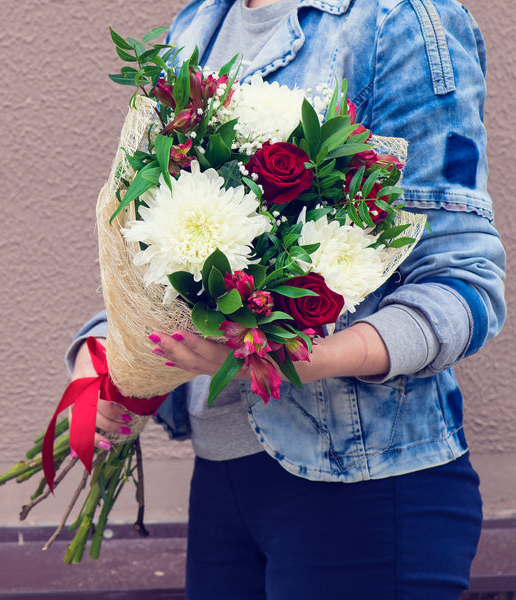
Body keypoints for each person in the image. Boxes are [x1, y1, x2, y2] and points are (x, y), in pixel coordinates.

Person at [67, 0, 506, 598]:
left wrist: (308, 357)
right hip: (222, 486)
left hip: (363, 488)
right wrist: (104, 361)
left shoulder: (400, 21)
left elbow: (463, 280)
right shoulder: (197, 25)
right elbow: (152, 254)